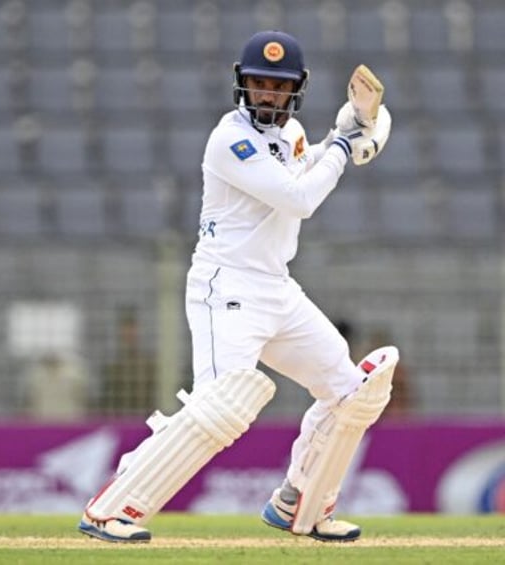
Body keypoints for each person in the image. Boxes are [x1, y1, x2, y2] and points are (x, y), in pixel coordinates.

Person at [77, 30, 396, 544]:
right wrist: (344, 142)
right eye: (259, 83)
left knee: (349, 392)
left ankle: (300, 502)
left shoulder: (289, 136)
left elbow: (302, 164)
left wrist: (350, 130)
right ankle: (112, 507)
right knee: (219, 408)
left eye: (279, 84)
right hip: (226, 287)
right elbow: (299, 199)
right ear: (242, 84)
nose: (268, 93)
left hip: (276, 288)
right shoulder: (230, 139)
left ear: (297, 89)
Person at [98, 306, 157, 417]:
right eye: (125, 328)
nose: (129, 333)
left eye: (132, 328)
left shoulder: (148, 365)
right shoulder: (112, 367)